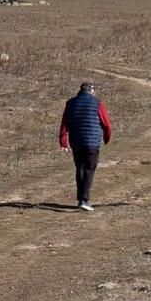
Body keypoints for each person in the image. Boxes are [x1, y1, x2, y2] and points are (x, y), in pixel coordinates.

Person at [59, 81, 112, 211]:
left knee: (80, 169)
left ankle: (81, 199)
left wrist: (63, 141)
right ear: (91, 91)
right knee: (89, 169)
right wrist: (106, 138)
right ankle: (84, 200)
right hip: (92, 142)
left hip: (76, 141)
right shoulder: (97, 103)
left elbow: (64, 124)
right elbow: (106, 124)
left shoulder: (71, 103)